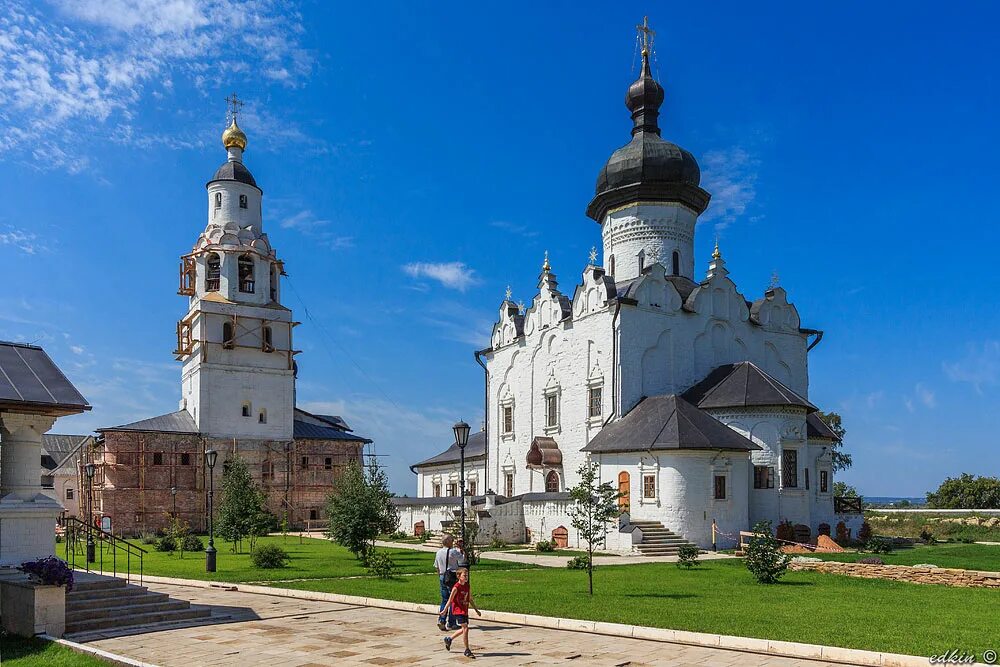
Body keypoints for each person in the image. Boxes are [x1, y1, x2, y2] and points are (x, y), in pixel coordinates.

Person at [440, 567, 481, 658]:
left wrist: (476, 610)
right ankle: (467, 650)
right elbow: (450, 600)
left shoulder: (467, 586)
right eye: (464, 575)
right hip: (458, 610)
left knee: (464, 629)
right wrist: (444, 610)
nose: (466, 577)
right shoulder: (456, 587)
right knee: (465, 628)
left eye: (467, 575)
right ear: (459, 576)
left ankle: (449, 639)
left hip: (464, 609)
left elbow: (470, 599)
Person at [434, 534, 461, 630]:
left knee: (444, 599)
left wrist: (441, 576)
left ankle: (442, 620)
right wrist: (459, 548)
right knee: (453, 600)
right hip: (452, 577)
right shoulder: (453, 551)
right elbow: (462, 558)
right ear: (449, 542)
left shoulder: (438, 552)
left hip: (442, 576)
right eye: (452, 540)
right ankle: (452, 622)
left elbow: (436, 566)